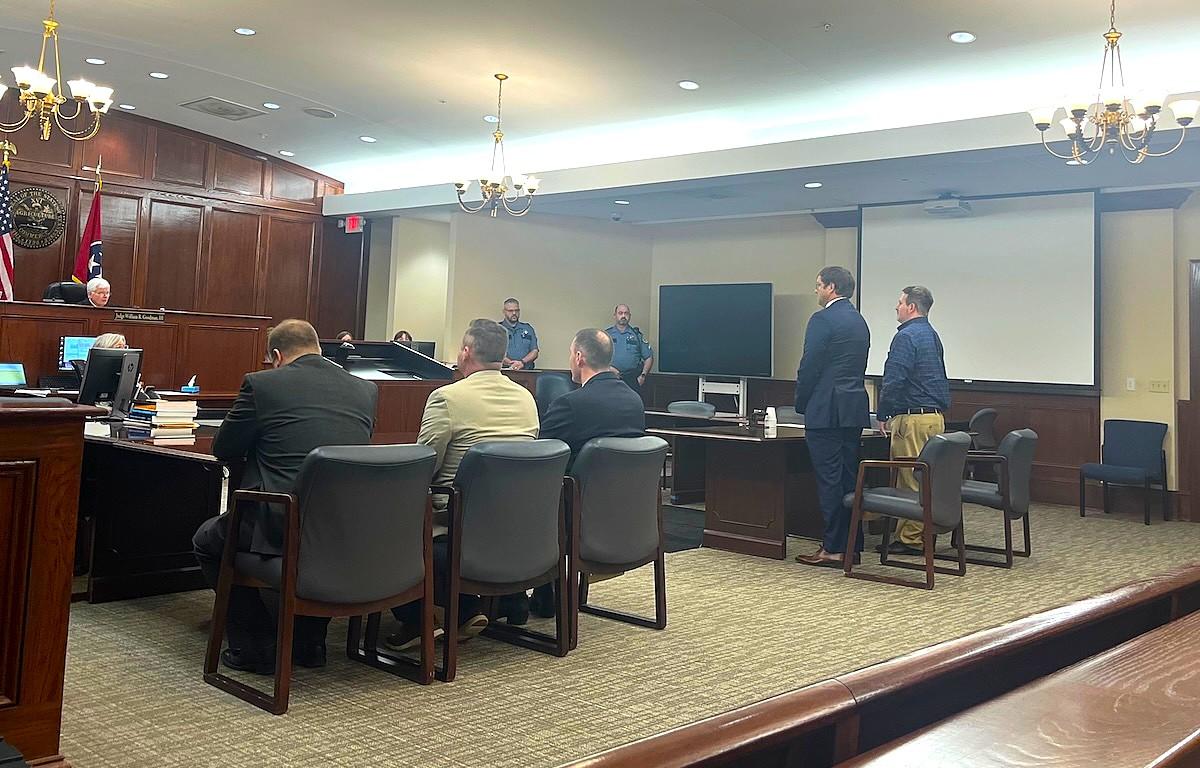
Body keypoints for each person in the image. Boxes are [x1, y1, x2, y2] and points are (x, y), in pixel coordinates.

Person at [192, 319, 378, 674]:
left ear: (276, 356)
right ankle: (309, 644)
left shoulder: (263, 385)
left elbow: (225, 446)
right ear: (319, 348)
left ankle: (255, 646)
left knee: (207, 541)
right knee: (312, 547)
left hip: (279, 522)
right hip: (343, 525)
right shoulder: (364, 389)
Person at [386, 318, 539, 650]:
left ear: (467, 352)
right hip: (516, 525)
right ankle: (467, 609)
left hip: (457, 525)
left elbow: (422, 465)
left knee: (386, 518)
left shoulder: (447, 398)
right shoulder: (526, 398)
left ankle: (416, 619)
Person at [534, 328, 647, 617]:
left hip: (575, 514)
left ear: (579, 357)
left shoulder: (571, 405)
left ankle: (511, 597)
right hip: (627, 513)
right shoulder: (634, 401)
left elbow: (540, 458)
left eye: (571, 355)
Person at [793, 266, 871, 569]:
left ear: (832, 287)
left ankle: (834, 548)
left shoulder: (823, 319)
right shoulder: (859, 320)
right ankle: (853, 544)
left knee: (829, 481)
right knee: (849, 479)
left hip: (826, 408)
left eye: (818, 285)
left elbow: (809, 365)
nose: (816, 291)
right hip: (852, 408)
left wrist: (802, 402)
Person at [875, 285, 951, 555]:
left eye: (899, 302)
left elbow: (895, 377)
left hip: (913, 419)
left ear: (912, 307)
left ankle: (910, 540)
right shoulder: (932, 335)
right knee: (926, 480)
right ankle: (919, 534)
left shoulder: (906, 337)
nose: (896, 306)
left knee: (909, 480)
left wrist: (883, 412)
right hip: (934, 419)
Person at [606, 304, 653, 394]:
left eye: (626, 313)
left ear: (629, 316)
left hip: (632, 379)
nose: (623, 316)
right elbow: (598, 358)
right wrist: (609, 368)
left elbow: (649, 357)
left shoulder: (637, 335)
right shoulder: (606, 335)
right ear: (615, 315)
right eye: (620, 313)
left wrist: (643, 376)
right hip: (611, 378)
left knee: (632, 405)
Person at [500, 298, 538, 370]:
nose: (514, 313)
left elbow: (535, 351)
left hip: (526, 371)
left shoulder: (528, 328)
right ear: (504, 311)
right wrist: (511, 363)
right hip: (504, 372)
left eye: (516, 310)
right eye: (510, 311)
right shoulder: (497, 329)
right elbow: (493, 352)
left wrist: (522, 362)